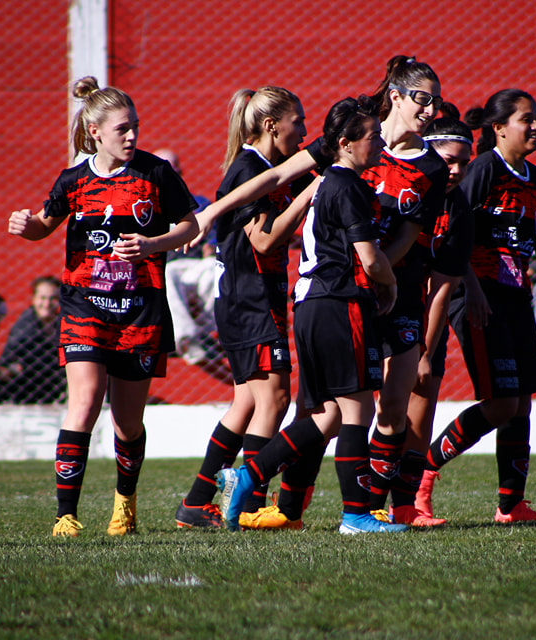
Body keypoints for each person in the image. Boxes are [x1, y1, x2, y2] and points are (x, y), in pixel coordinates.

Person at [7, 76, 200, 537]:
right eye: (122, 129)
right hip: (84, 308)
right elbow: (42, 227)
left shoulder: (155, 174)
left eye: (134, 127)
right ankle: (65, 516)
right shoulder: (74, 181)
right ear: (95, 131)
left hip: (139, 311)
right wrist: (25, 225)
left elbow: (190, 227)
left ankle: (124, 505)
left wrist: (153, 243)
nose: (132, 136)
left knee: (128, 421)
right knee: (85, 404)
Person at [217, 95, 408, 534]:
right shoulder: (347, 185)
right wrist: (390, 283)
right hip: (340, 305)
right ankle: (356, 515)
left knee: (326, 416)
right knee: (358, 409)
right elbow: (369, 257)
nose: (378, 144)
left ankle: (245, 475)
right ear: (345, 143)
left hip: (311, 308)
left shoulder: (325, 184)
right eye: (371, 138)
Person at [417, 88, 536, 524]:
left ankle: (511, 506)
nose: (535, 126)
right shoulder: (483, 170)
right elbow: (457, 233)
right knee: (502, 404)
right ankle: (423, 473)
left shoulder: (535, 177)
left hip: (515, 298)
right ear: (498, 128)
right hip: (478, 298)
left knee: (521, 403)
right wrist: (470, 288)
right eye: (525, 119)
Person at [174, 86, 317, 531]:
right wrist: (312, 191)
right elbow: (262, 239)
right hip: (249, 300)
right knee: (274, 399)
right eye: (299, 121)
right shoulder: (249, 169)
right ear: (273, 125)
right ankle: (251, 503)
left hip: (250, 297)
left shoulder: (270, 168)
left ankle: (197, 503)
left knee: (245, 403)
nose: (305, 130)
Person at [357, 56, 450, 526]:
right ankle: (284, 501)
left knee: (394, 406)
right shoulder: (356, 140)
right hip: (346, 292)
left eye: (436, 101)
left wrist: (377, 271)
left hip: (401, 292)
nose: (431, 109)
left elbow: (409, 237)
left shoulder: (433, 170)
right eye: (422, 98)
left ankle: (372, 506)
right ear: (395, 96)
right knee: (333, 407)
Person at [393, 107, 474, 525]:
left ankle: (409, 506)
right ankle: (357, 503)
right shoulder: (403, 185)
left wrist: (426, 350)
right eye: (449, 160)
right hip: (384, 308)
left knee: (420, 411)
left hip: (423, 318)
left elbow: (443, 287)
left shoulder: (458, 207)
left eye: (465, 162)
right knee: (376, 413)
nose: (458, 170)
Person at [154, 149, 225, 371]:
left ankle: (209, 332)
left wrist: (210, 252)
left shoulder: (198, 203)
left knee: (214, 268)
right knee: (167, 274)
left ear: (180, 172)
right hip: (165, 269)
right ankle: (188, 339)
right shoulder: (144, 207)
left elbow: (210, 244)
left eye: (173, 168)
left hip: (192, 265)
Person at [0, 276, 65, 403]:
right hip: (23, 382)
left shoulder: (60, 324)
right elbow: (24, 362)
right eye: (42, 298)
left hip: (47, 381)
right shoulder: (26, 326)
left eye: (53, 298)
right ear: (34, 299)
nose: (47, 304)